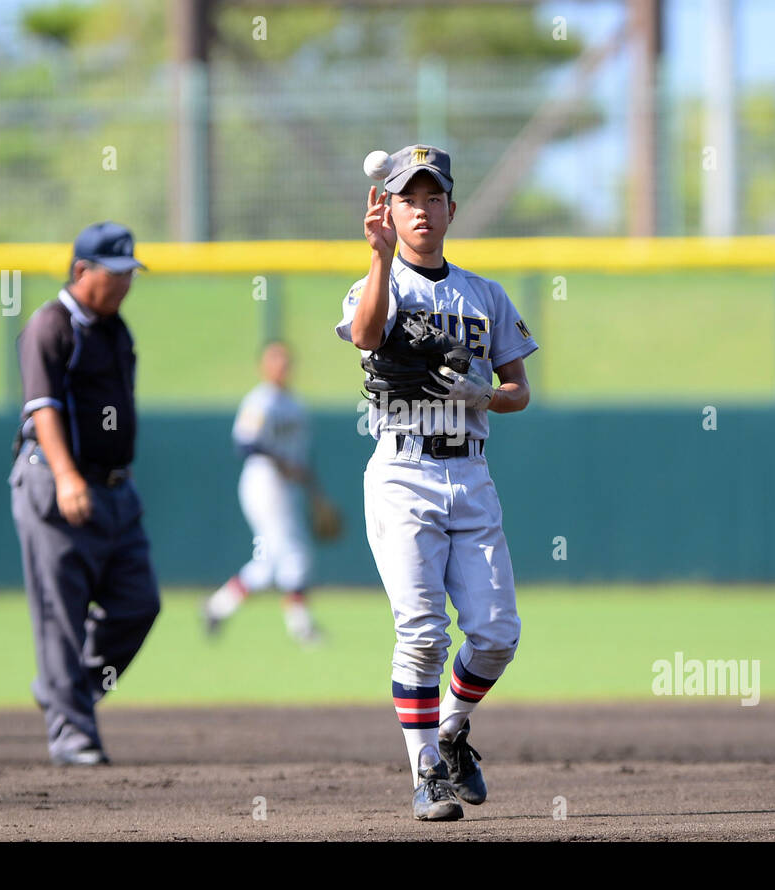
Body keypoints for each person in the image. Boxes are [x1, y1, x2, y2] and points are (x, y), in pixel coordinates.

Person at [336, 144, 538, 821]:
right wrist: (376, 258)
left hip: (471, 474)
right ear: (388, 208)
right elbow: (366, 337)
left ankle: (451, 730)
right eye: (407, 198)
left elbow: (520, 390)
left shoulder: (485, 294)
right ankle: (425, 772)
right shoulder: (382, 282)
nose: (421, 209)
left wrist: (488, 393)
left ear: (451, 206)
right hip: (401, 469)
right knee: (422, 633)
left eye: (432, 196)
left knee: (498, 633)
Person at [9, 222, 161, 766]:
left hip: (117, 490)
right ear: (81, 271)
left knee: (139, 604)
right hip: (58, 482)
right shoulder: (51, 325)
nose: (125, 284)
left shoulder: (114, 328)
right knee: (60, 614)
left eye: (130, 274)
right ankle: (71, 734)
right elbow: (42, 408)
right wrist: (68, 476)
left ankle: (61, 687)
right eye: (115, 274)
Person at [203, 341, 324, 644]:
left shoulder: (295, 404)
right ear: (263, 366)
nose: (281, 366)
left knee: (269, 562)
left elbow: (301, 458)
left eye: (285, 360)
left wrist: (315, 494)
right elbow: (245, 443)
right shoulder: (260, 401)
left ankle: (217, 606)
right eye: (275, 360)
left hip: (290, 487)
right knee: (295, 554)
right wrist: (280, 463)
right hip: (265, 483)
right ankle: (302, 628)